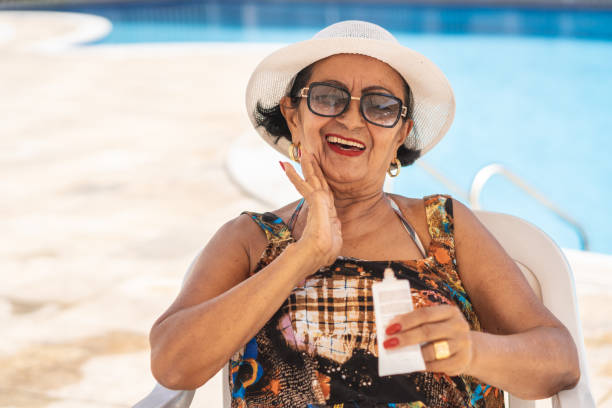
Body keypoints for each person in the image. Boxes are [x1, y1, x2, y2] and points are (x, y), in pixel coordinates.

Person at [149, 20, 580, 407]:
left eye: (380, 106)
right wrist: (304, 254)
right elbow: (172, 365)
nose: (352, 119)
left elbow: (560, 360)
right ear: (293, 116)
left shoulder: (443, 229)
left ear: (401, 135)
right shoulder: (250, 240)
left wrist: (470, 349)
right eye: (328, 97)